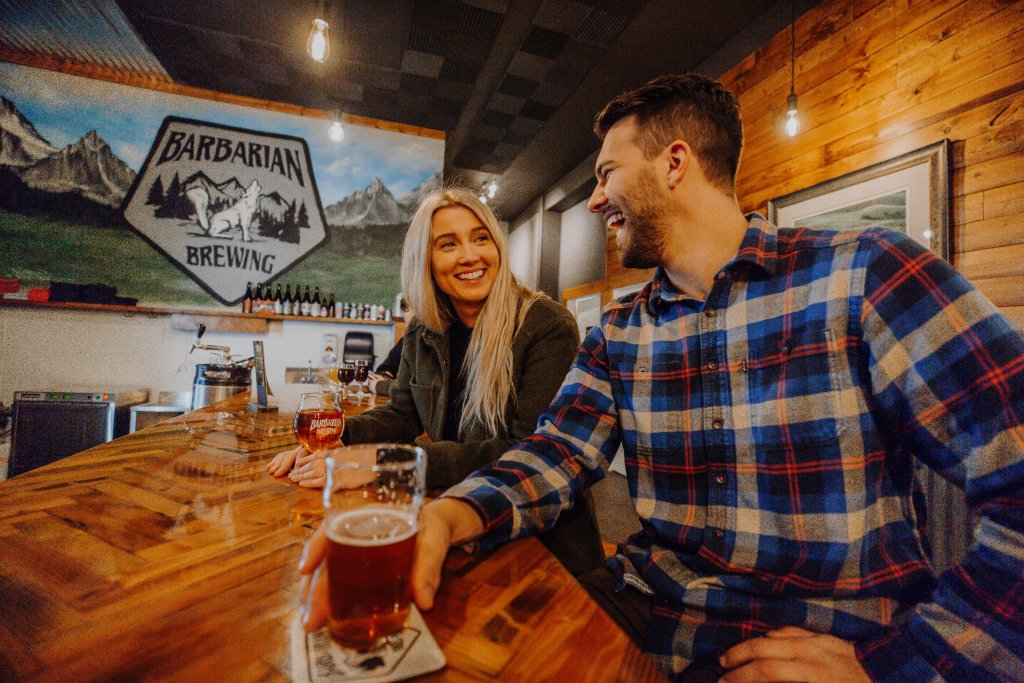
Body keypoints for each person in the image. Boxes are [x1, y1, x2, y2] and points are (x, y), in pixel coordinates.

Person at [298, 74, 1024, 681]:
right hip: (653, 635)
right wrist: (451, 514)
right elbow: (555, 452)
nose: (591, 199)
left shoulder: (866, 273)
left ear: (674, 163)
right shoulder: (620, 331)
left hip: (844, 647)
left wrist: (903, 665)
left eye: (605, 173)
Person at [269, 187, 604, 576]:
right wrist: (335, 437)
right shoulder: (423, 332)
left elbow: (525, 452)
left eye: (481, 238)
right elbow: (401, 414)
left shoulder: (547, 325)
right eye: (448, 244)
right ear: (424, 260)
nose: (470, 255)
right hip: (454, 520)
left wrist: (382, 465)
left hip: (542, 548)